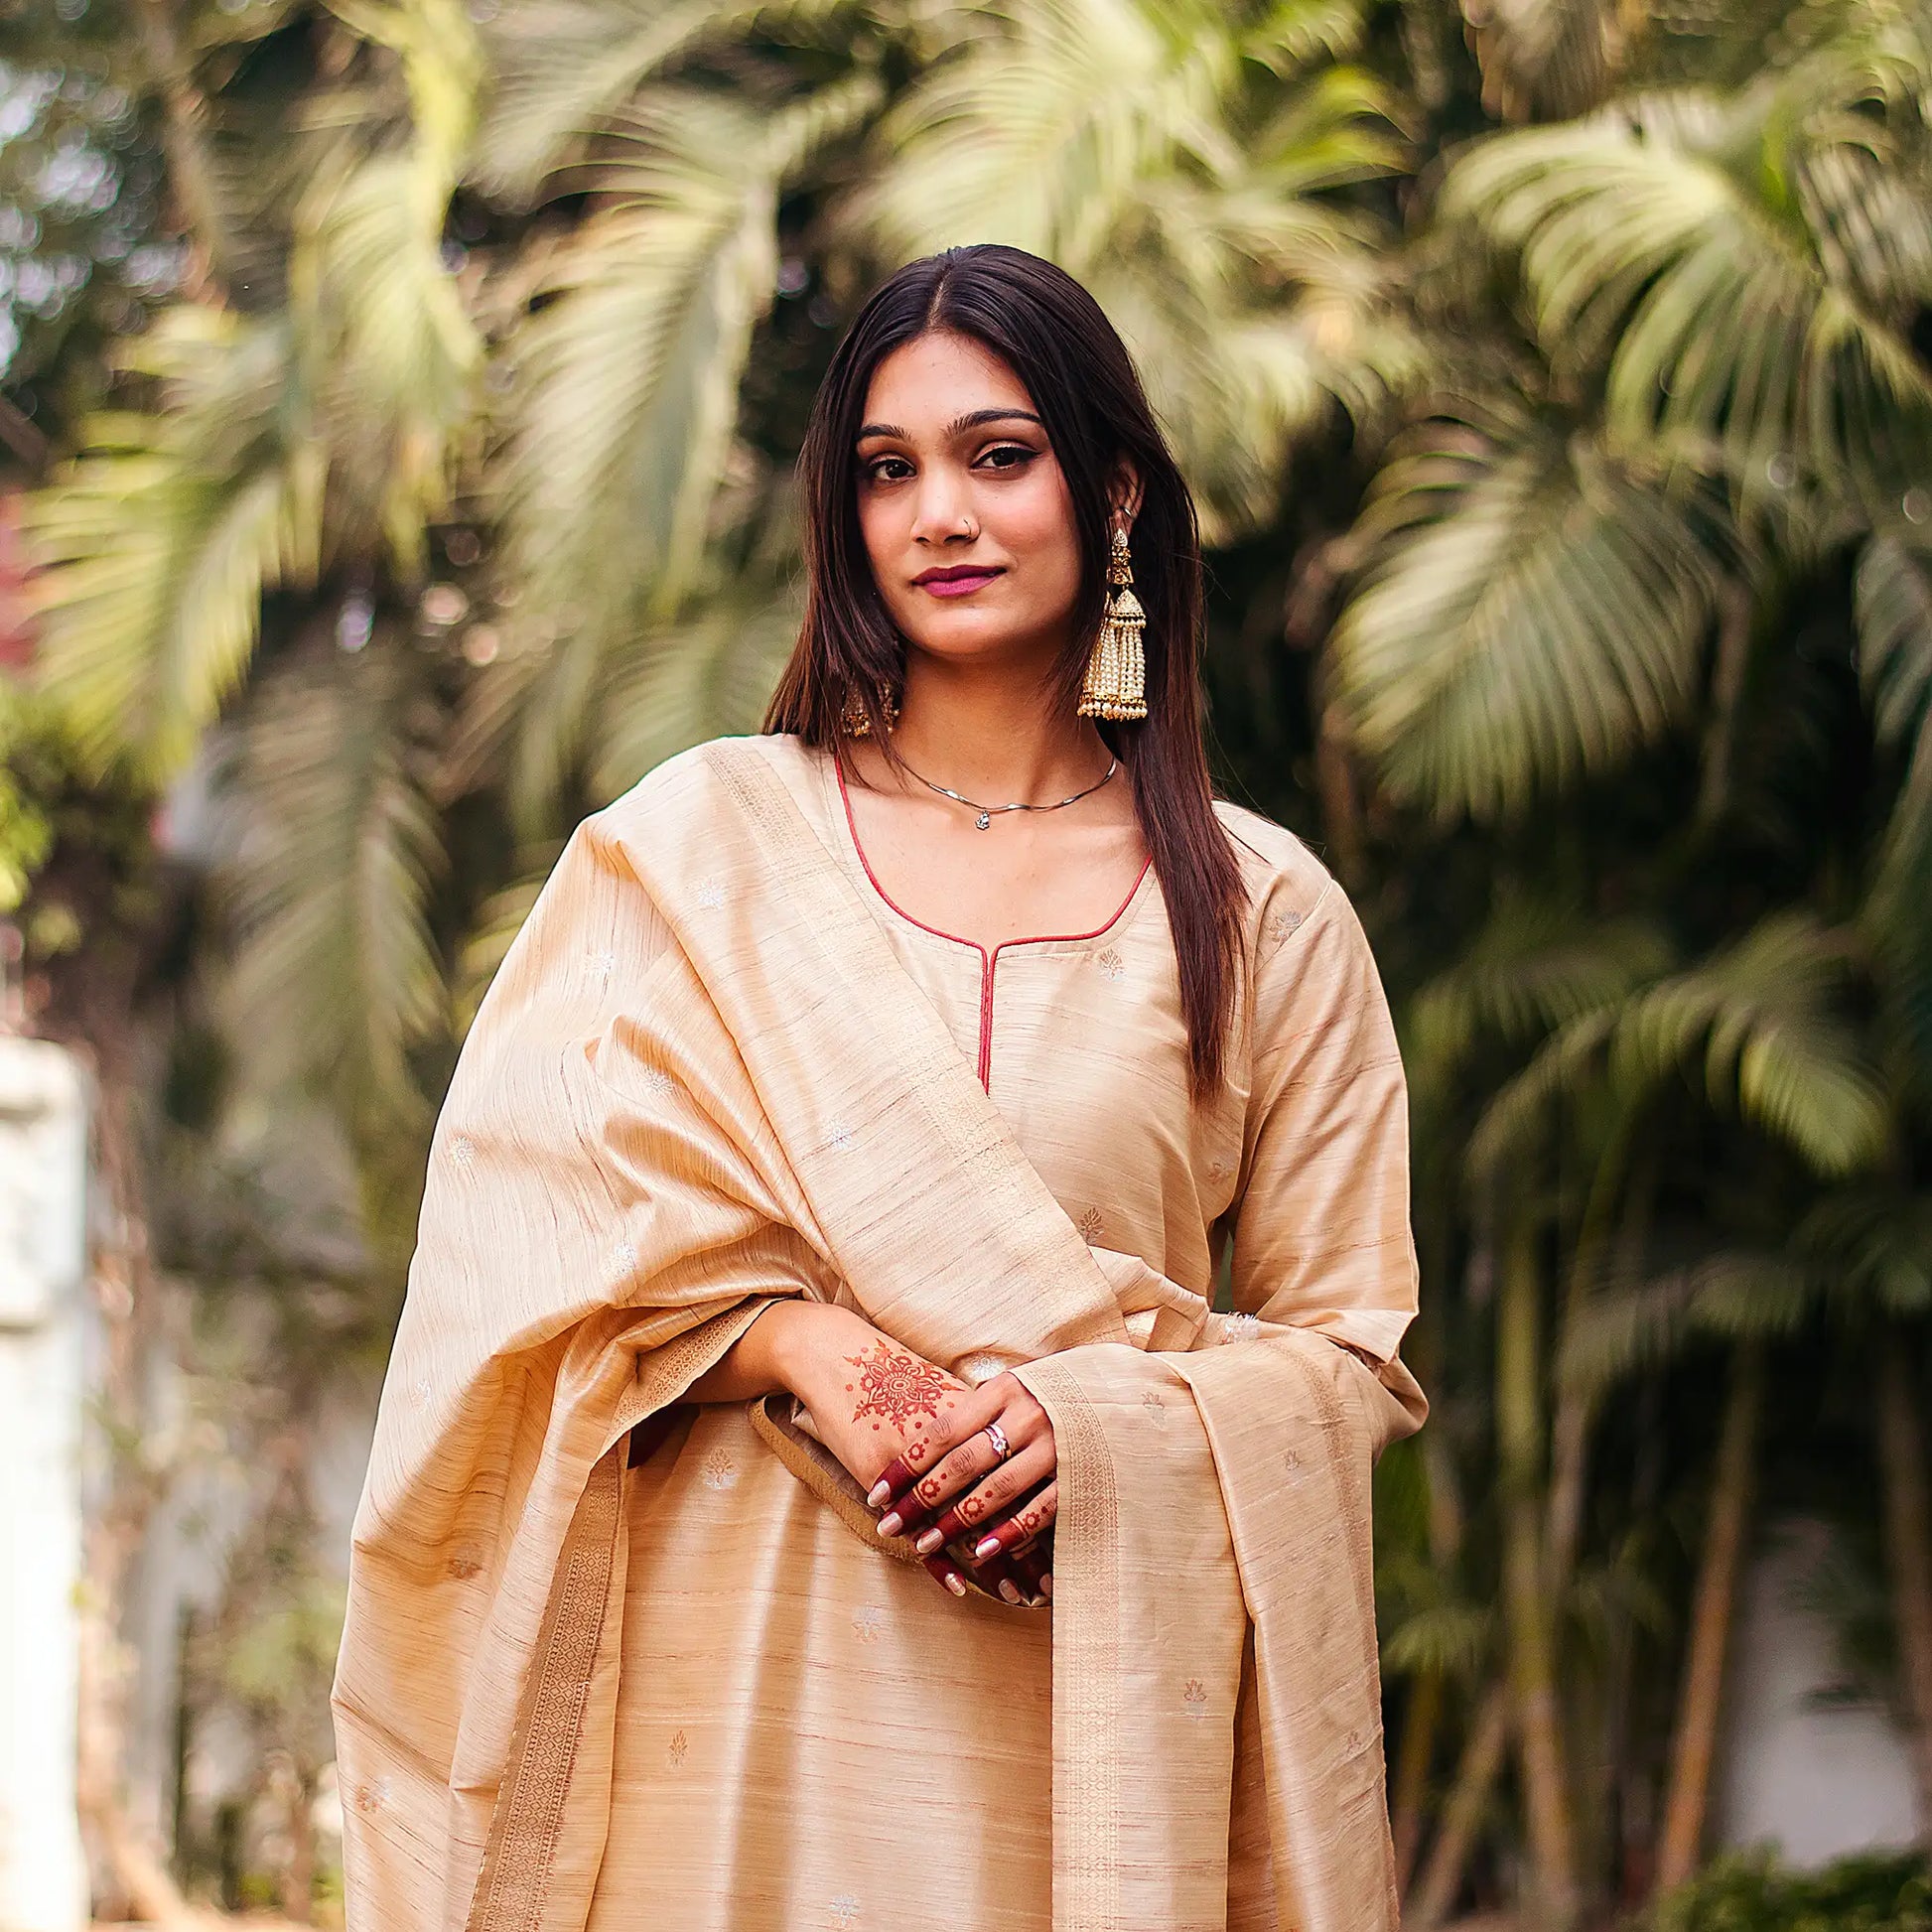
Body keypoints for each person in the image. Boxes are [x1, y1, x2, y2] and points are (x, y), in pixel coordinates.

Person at [332, 243, 1428, 1932]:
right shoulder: (692, 856)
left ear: (1111, 488)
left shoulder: (1261, 909)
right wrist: (805, 1344)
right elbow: (520, 1266)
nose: (940, 515)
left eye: (999, 456)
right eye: (887, 470)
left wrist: (1101, 1425)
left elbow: (1349, 1354)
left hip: (1082, 1747)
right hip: (728, 1734)